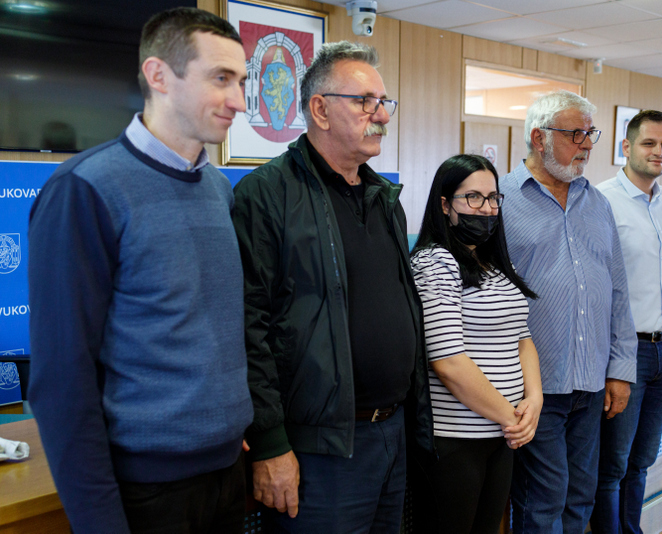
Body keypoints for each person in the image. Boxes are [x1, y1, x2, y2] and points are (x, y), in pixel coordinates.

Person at [27, 8, 252, 534]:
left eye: (241, 82)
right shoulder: (85, 189)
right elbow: (62, 381)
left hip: (226, 475)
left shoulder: (217, 189)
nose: (239, 101)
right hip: (147, 493)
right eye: (221, 78)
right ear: (158, 75)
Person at [231, 41, 433, 533]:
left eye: (384, 102)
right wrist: (270, 443)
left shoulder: (384, 197)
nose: (381, 115)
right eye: (365, 101)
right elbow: (247, 325)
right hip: (319, 449)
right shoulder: (267, 194)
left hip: (391, 433)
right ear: (319, 109)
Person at [500, 89, 638, 533]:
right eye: (575, 134)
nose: (587, 144)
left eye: (590, 133)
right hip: (533, 387)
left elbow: (618, 290)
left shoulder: (596, 202)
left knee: (581, 497)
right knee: (543, 502)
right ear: (539, 138)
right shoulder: (500, 200)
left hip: (591, 382)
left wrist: (620, 369)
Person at [410, 154, 543, 534]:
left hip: (502, 434)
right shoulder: (434, 262)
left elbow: (522, 337)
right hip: (455, 438)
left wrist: (534, 400)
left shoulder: (495, 263)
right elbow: (448, 361)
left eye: (493, 198)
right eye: (473, 197)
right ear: (444, 205)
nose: (486, 208)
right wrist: (510, 416)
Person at [591, 110, 662, 534]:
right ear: (627, 147)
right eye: (649, 143)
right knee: (612, 466)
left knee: (643, 462)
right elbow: (596, 286)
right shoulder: (600, 200)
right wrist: (613, 363)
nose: (659, 152)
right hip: (623, 352)